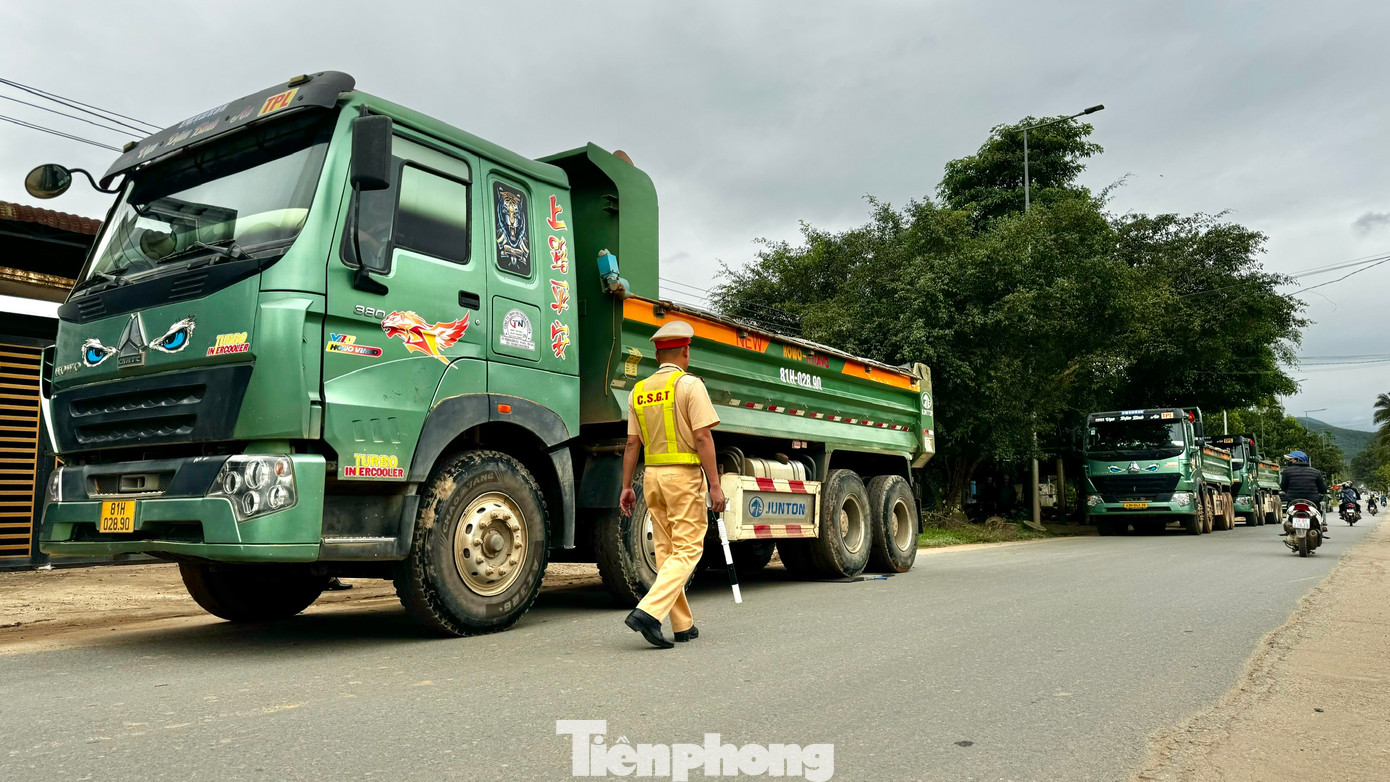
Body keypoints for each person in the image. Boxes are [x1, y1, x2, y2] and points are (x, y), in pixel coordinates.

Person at [619, 320, 726, 649]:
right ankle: (648, 612)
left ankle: (683, 624)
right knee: (690, 549)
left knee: (667, 552)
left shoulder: (639, 391)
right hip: (682, 477)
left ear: (655, 353)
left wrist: (627, 486)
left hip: (652, 478)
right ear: (685, 350)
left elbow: (632, 445)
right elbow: (702, 436)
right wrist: (715, 485)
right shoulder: (690, 386)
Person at [1280, 451, 1329, 537]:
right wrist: (1322, 493)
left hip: (1293, 500)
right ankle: (1320, 527)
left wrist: (1287, 491)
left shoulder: (1287, 472)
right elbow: (1323, 489)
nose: (1290, 461)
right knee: (1319, 512)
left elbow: (1283, 486)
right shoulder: (1316, 472)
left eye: (1291, 459)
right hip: (1312, 500)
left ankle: (1289, 529)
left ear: (1298, 459)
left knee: (1289, 513)